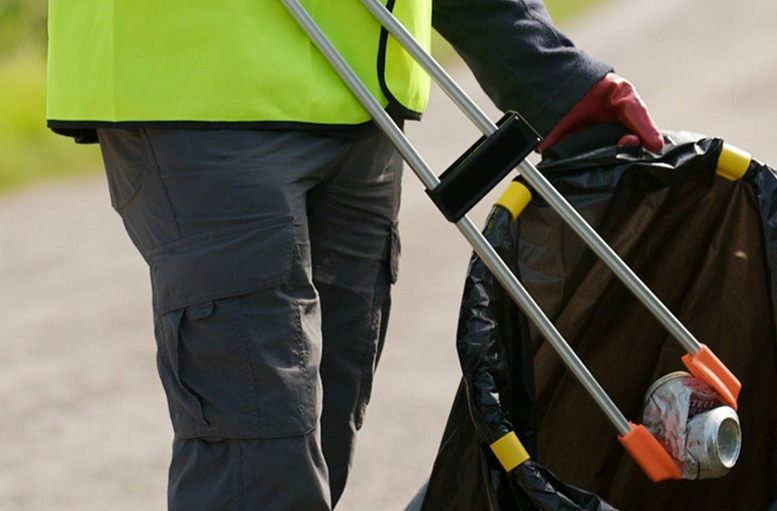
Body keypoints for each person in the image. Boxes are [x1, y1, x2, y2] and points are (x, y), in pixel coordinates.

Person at [46, 0, 663, 510]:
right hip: (189, 87)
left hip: (362, 99)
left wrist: (545, 72)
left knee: (323, 433)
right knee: (264, 458)